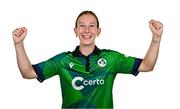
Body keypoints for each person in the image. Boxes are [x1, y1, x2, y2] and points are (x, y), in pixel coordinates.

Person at [12, 10, 163, 108]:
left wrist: (156, 39)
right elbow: (28, 73)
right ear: (75, 30)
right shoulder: (63, 61)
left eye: (92, 26)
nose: (86, 30)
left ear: (98, 31)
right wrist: (18, 44)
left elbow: (147, 65)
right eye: (82, 26)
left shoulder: (111, 59)